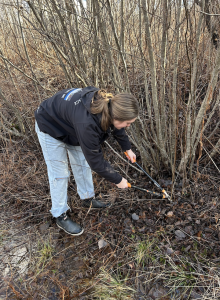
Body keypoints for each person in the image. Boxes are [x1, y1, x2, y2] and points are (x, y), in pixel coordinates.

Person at [35, 86, 139, 236]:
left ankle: (87, 198)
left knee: (82, 164)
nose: (128, 126)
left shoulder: (109, 107)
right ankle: (60, 214)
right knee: (60, 174)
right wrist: (118, 180)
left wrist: (127, 148)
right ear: (116, 116)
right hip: (49, 126)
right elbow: (96, 162)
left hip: (71, 127)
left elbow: (118, 126)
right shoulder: (87, 124)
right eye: (128, 123)